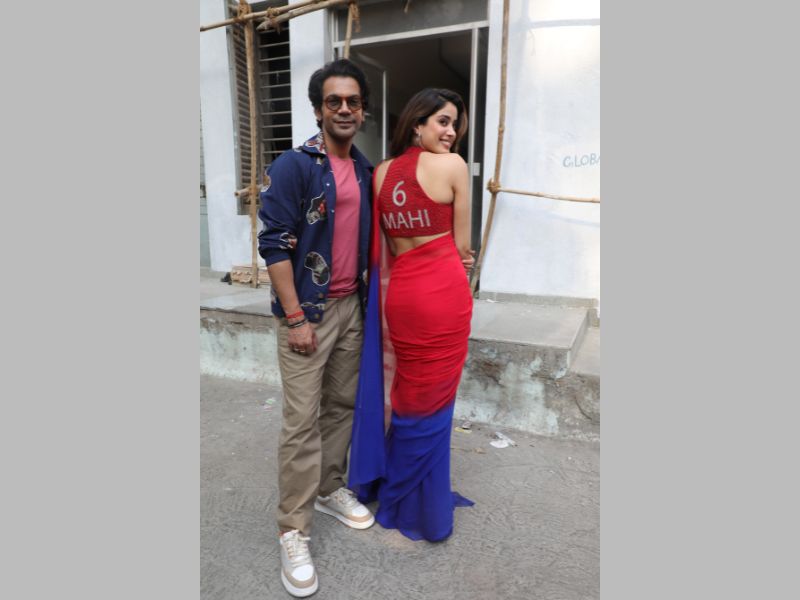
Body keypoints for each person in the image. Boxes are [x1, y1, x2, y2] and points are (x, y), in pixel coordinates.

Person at [257, 58, 376, 598]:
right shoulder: (295, 165)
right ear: (317, 109)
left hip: (351, 306)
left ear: (363, 110)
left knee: (340, 407)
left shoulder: (366, 170)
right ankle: (293, 529)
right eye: (334, 101)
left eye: (353, 101)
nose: (344, 109)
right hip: (309, 312)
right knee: (302, 421)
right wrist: (296, 317)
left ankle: (329, 489)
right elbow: (274, 244)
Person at [349, 88, 476, 543]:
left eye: (455, 123)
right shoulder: (454, 166)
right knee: (436, 401)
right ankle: (422, 504)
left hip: (402, 296)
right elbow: (463, 247)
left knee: (408, 394)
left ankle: (400, 491)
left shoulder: (381, 172)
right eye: (443, 121)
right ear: (417, 123)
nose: (451, 131)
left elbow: (384, 245)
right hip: (442, 295)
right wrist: (462, 261)